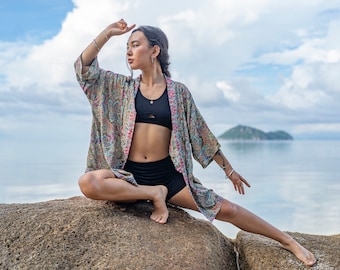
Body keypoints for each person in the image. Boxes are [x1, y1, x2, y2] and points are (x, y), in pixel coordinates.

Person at [74, 19, 316, 267]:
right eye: (127, 46)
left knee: (229, 210)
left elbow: (201, 133)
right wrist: (107, 34)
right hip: (129, 177)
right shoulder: (121, 87)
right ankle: (152, 194)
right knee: (88, 182)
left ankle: (288, 241)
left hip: (169, 177)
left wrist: (228, 170)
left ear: (155, 51)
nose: (128, 51)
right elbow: (83, 69)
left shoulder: (178, 93)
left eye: (135, 45)